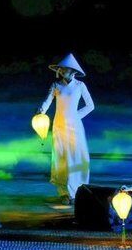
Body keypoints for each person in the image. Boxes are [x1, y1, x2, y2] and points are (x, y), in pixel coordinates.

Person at [38, 53, 94, 203]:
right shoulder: (56, 85)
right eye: (61, 69)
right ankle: (64, 192)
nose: (62, 71)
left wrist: (76, 116)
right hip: (59, 125)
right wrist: (41, 110)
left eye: (65, 69)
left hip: (75, 126)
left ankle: (77, 191)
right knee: (62, 157)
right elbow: (47, 101)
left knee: (76, 156)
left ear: (73, 71)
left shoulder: (80, 86)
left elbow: (90, 105)